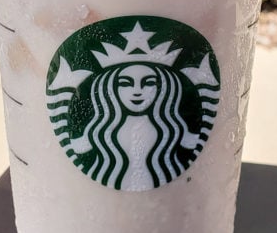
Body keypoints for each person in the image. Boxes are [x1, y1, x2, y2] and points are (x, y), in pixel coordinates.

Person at [71, 62, 199, 191]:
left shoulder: (174, 130)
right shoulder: (97, 133)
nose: (137, 91)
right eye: (125, 83)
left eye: (149, 83)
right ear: (112, 88)